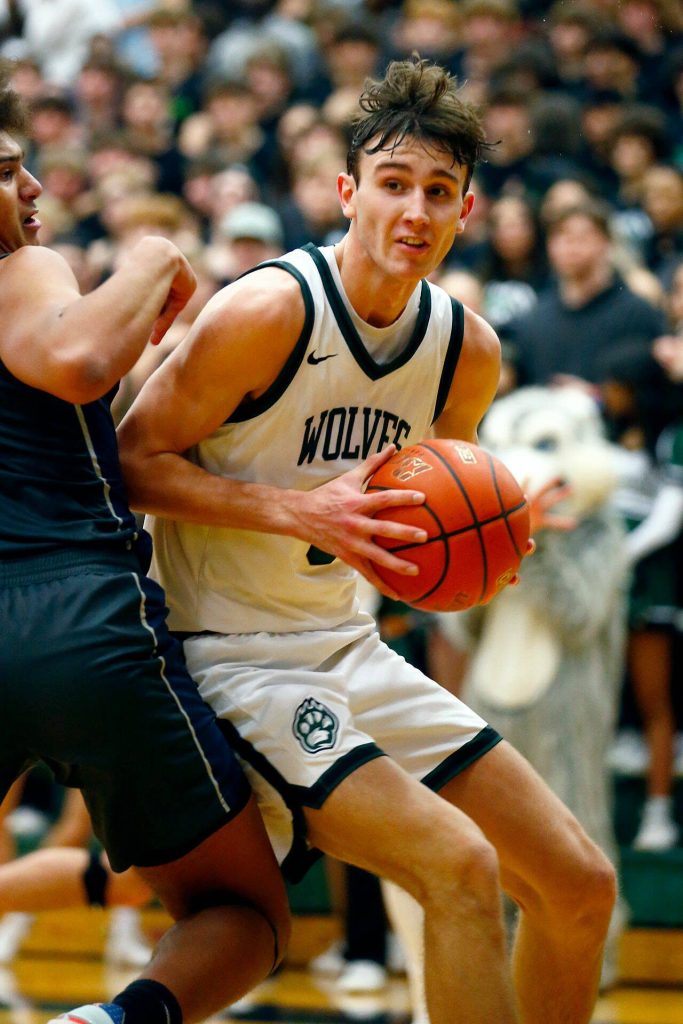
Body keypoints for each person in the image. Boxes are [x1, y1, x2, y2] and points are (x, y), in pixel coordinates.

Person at [118, 57, 617, 1024]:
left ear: (466, 211)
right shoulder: (267, 312)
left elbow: (436, 526)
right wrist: (297, 512)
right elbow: (131, 462)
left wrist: (497, 545)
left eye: (439, 192)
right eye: (393, 185)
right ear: (348, 193)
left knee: (577, 886)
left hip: (348, 647)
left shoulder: (464, 349)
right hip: (230, 660)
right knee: (460, 866)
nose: (414, 212)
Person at [0, 59, 289, 1024]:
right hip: (78, 618)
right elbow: (75, 361)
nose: (32, 188)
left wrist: (158, 363)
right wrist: (158, 254)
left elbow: (56, 418)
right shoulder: (23, 268)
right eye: (7, 170)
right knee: (239, 912)